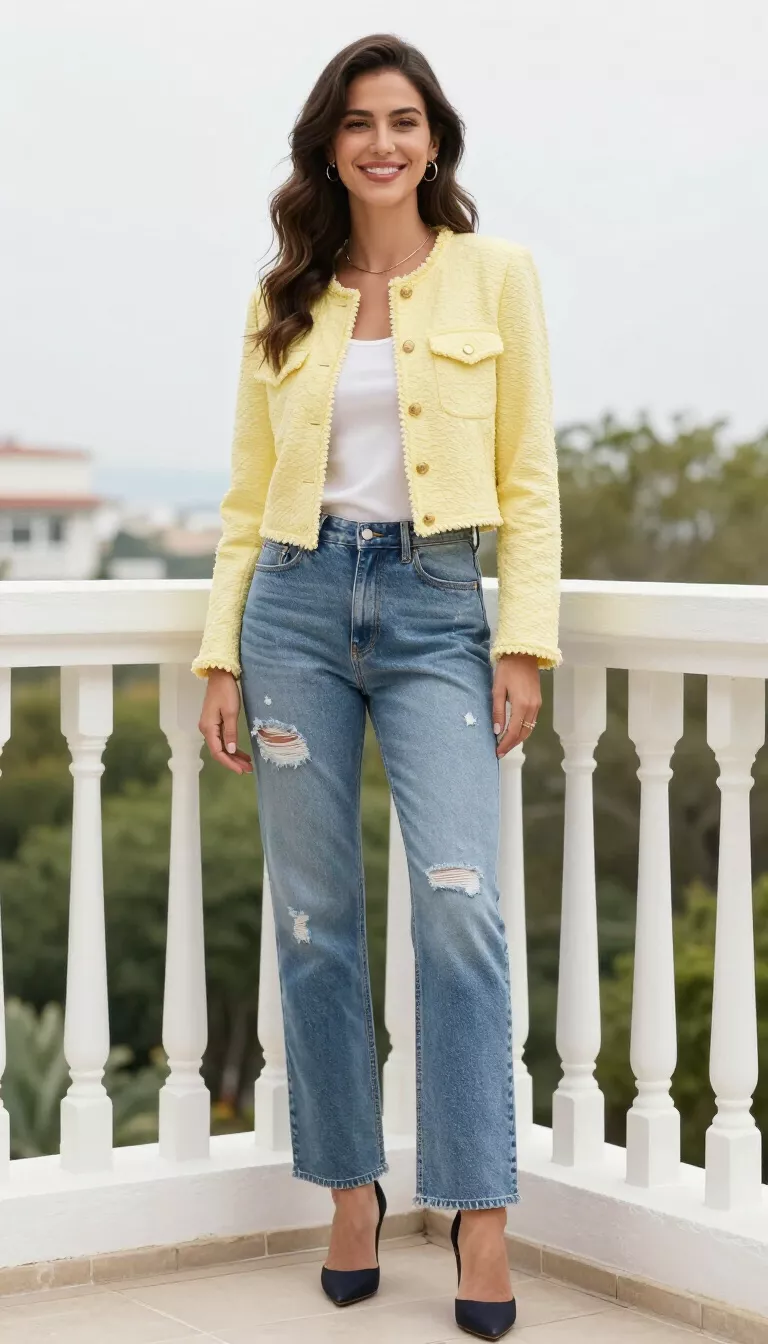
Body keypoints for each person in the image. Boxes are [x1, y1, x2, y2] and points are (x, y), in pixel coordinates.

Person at [193, 32, 561, 1342]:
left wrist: (522, 636)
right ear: (330, 144)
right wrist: (221, 651)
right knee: (314, 923)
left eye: (404, 119)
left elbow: (528, 477)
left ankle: (479, 1212)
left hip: (434, 611)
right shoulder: (286, 293)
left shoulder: (496, 276)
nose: (383, 142)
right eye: (359, 122)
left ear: (436, 139)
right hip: (292, 607)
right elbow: (246, 495)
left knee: (460, 913)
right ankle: (352, 1190)